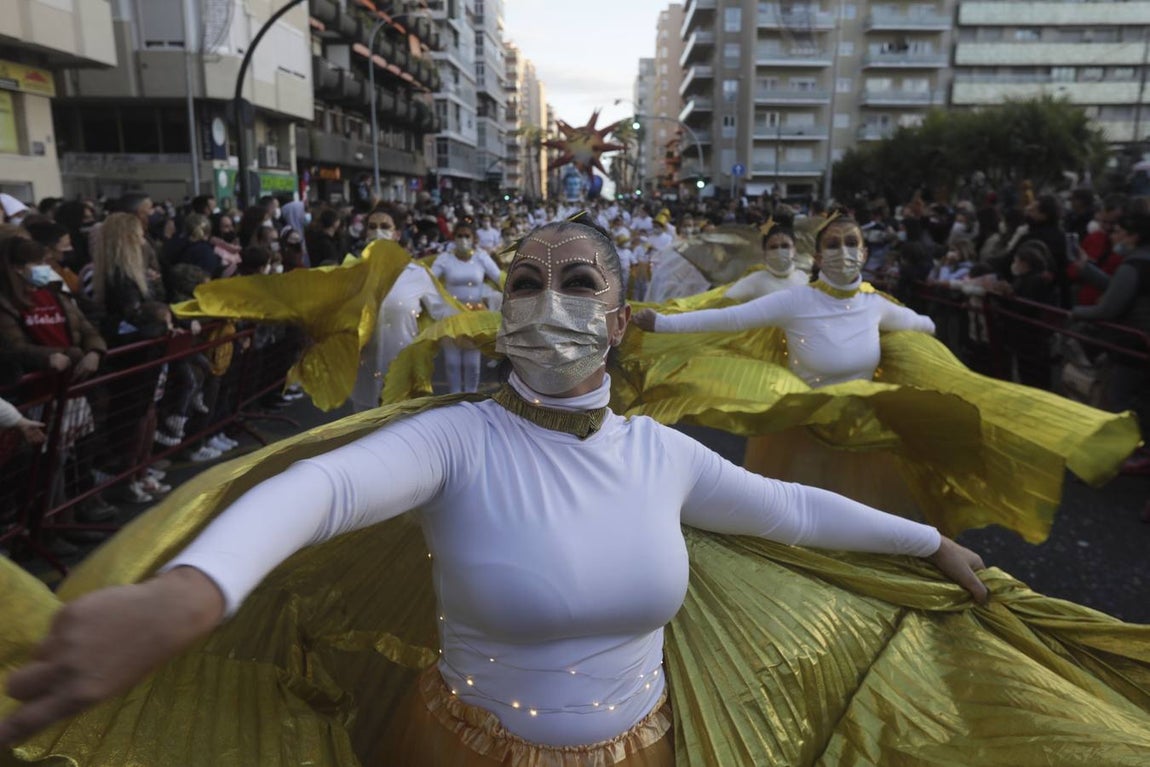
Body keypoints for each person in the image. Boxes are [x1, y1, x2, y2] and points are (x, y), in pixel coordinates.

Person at [0, 219, 990, 764]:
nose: (550, 302)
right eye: (527, 281)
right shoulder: (455, 442)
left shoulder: (661, 455)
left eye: (579, 283)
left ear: (616, 319)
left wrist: (930, 545)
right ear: (500, 311)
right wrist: (190, 591)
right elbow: (320, 485)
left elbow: (796, 511)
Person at [431, 225, 501, 393]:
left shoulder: (481, 257)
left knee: (472, 363)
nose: (463, 239)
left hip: (475, 315)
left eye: (467, 236)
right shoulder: (445, 259)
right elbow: (429, 278)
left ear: (473, 239)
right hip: (451, 315)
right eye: (459, 235)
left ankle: (471, 397)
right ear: (454, 238)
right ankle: (454, 398)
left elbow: (499, 277)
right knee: (452, 362)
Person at [723, 223, 809, 303]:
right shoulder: (753, 281)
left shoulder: (805, 278)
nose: (779, 250)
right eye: (773, 247)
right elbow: (724, 304)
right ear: (765, 253)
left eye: (785, 246)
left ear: (794, 250)